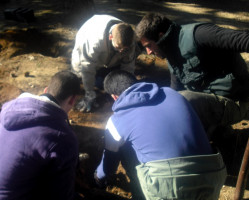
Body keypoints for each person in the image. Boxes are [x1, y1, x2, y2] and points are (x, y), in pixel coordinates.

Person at [95, 70, 227, 200]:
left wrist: (98, 177)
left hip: (171, 186)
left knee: (123, 146)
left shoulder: (117, 120)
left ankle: (139, 194)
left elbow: (109, 165)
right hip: (213, 174)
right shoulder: (172, 93)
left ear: (114, 96)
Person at [135, 12, 249, 137]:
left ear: (161, 36)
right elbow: (175, 90)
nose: (148, 52)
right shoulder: (171, 55)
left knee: (185, 100)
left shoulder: (199, 34)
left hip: (234, 102)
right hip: (209, 103)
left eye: (149, 45)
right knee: (172, 100)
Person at [0, 71, 81, 200]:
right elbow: (60, 196)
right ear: (72, 100)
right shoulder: (63, 137)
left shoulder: (8, 109)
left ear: (46, 90)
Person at [71, 14, 138, 112]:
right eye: (118, 48)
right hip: (84, 59)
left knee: (115, 83)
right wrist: (89, 94)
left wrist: (126, 91)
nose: (121, 51)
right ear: (111, 37)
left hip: (109, 58)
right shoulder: (94, 41)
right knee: (100, 83)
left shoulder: (130, 40)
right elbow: (87, 68)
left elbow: (128, 67)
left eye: (125, 49)